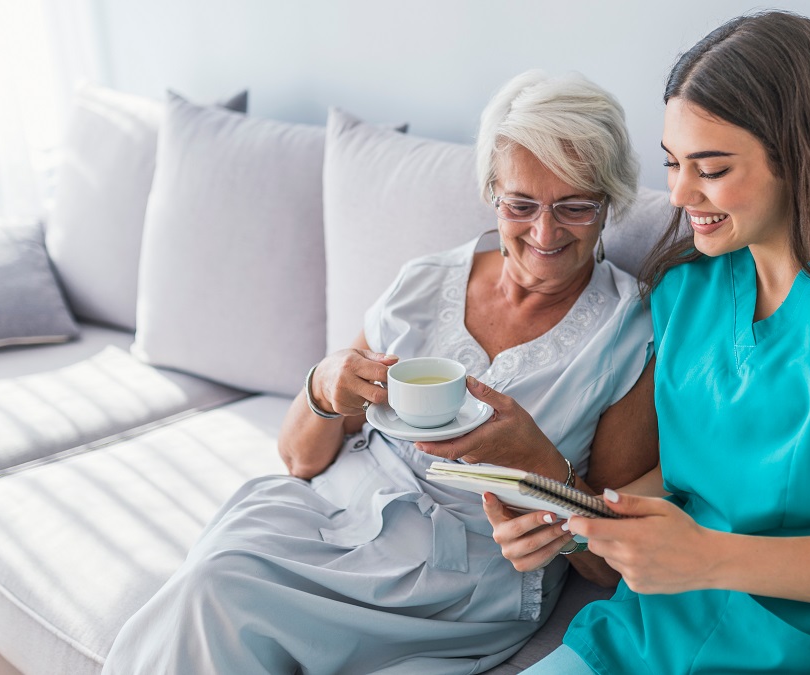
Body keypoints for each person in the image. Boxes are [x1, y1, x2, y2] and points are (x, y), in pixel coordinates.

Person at [486, 11, 810, 675]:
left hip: (801, 650)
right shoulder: (685, 290)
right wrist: (572, 519)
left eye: (710, 168)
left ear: (796, 157)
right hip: (647, 634)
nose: (678, 193)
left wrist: (708, 555)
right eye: (674, 163)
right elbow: (682, 481)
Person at [101, 70, 658, 675]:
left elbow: (611, 564)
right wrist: (322, 386)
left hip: (455, 577)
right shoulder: (423, 282)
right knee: (213, 579)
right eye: (521, 205)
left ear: (610, 202)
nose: (544, 232)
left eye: (576, 207)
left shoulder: (628, 334)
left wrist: (542, 468)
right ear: (492, 192)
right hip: (331, 514)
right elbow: (299, 460)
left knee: (219, 594)